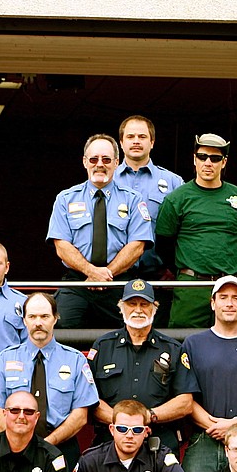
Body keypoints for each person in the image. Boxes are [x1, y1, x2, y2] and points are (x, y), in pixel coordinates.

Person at [0, 292, 99, 470]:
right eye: (32, 316)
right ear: (24, 320)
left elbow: (80, 416)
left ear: (55, 319)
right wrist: (21, 441)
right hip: (13, 449)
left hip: (60, 447)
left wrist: (46, 444)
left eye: (44, 316)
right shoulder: (4, 359)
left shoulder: (75, 360)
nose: (38, 323)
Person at [46, 133, 153, 328]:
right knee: (61, 328)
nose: (100, 164)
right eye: (94, 159)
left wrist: (106, 274)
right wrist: (91, 272)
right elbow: (61, 246)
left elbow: (137, 246)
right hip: (77, 283)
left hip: (118, 282)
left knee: (130, 333)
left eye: (106, 159)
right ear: (85, 162)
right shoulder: (65, 199)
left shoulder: (133, 199)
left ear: (116, 162)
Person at [156, 133, 237, 328]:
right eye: (202, 157)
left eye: (215, 158)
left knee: (232, 344)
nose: (208, 162)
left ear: (224, 162)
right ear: (194, 159)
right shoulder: (176, 198)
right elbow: (164, 244)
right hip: (191, 285)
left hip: (229, 284)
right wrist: (183, 269)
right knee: (184, 345)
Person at [88, 279, 198, 454]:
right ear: (121, 307)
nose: (138, 310)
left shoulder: (173, 349)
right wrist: (124, 426)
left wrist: (148, 416)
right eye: (132, 304)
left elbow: (185, 403)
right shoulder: (103, 346)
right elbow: (89, 399)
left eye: (144, 304)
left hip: (159, 443)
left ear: (154, 308)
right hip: (110, 444)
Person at [181, 276, 237, 472]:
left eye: (236, 298)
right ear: (213, 303)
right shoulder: (193, 344)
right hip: (203, 439)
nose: (229, 303)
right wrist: (215, 426)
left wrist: (235, 424)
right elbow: (186, 398)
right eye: (223, 297)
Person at [113, 115, 184, 284]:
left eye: (142, 137)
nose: (136, 141)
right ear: (121, 143)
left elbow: (185, 231)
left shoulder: (174, 182)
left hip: (159, 277)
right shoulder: (106, 180)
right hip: (114, 276)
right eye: (130, 137)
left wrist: (174, 269)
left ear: (152, 142)